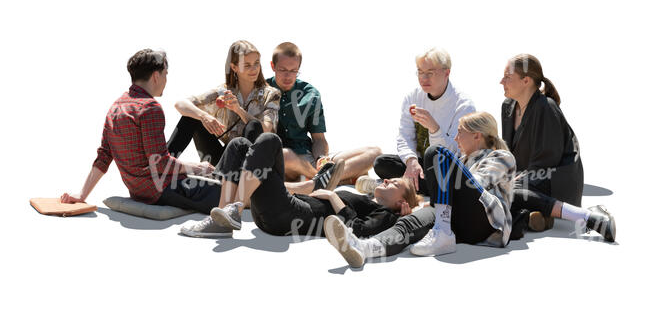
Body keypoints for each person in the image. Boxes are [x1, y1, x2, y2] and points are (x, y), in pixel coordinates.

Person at [60, 49, 229, 231]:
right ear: (155, 76)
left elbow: (104, 156)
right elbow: (161, 164)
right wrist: (198, 167)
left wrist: (82, 194)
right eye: (165, 74)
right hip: (162, 190)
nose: (166, 80)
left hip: (138, 191)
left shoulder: (116, 107)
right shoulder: (150, 108)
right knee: (232, 193)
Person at [325, 112, 516, 267]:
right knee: (409, 223)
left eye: (460, 132)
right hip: (459, 223)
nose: (456, 138)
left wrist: (446, 174)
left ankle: (442, 232)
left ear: (477, 135)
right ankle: (364, 248)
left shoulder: (501, 157)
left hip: (485, 222)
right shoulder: (464, 160)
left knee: (437, 153)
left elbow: (476, 185)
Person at [191, 132, 421, 239]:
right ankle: (220, 218)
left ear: (401, 202)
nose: (388, 179)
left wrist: (333, 198)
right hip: (282, 208)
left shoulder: (383, 214)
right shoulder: (369, 201)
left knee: (270, 140)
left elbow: (359, 230)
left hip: (289, 216)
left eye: (395, 183)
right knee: (239, 144)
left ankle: (236, 207)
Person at [500, 54, 615, 240]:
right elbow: (508, 152)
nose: (501, 81)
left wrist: (513, 179)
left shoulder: (546, 107)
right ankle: (532, 217)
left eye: (507, 77)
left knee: (505, 190)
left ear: (526, 80)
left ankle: (591, 216)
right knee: (495, 188)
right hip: (527, 178)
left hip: (555, 178)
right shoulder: (508, 107)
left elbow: (547, 160)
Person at [266, 42, 382, 184]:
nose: (288, 76)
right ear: (273, 66)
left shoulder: (311, 94)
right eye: (283, 70)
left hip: (308, 159)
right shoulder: (261, 91)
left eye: (293, 71)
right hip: (281, 161)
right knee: (285, 156)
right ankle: (334, 178)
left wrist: (321, 158)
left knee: (374, 152)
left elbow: (319, 139)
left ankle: (323, 177)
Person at [373, 47, 475, 195]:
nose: (423, 78)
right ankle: (415, 185)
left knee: (450, 181)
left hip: (446, 168)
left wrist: (434, 129)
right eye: (420, 72)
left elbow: (457, 151)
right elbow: (404, 136)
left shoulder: (463, 105)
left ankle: (408, 186)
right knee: (382, 163)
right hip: (421, 166)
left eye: (430, 73)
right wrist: (411, 161)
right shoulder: (413, 97)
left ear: (447, 73)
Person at [167, 40, 281, 166]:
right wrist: (204, 116)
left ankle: (238, 181)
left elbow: (266, 130)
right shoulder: (224, 91)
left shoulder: (271, 94)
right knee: (191, 117)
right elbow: (180, 104)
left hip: (251, 163)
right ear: (234, 67)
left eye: (256, 63)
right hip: (224, 159)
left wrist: (238, 110)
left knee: (253, 125)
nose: (254, 69)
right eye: (247, 65)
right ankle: (162, 164)